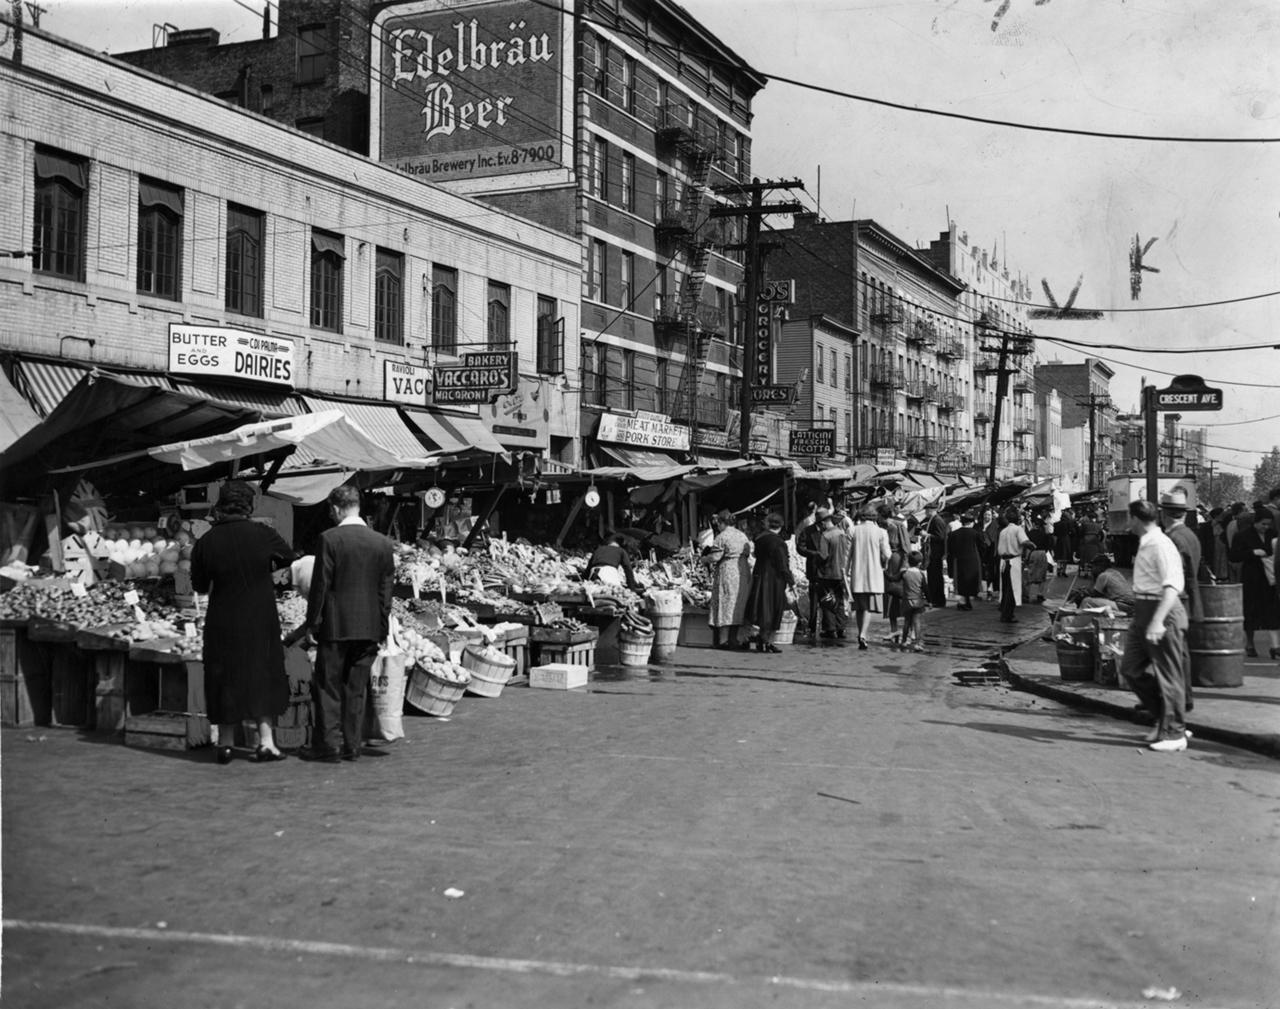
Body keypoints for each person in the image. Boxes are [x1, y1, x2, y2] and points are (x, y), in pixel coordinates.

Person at [190, 480, 295, 765]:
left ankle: (225, 743)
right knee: (262, 674)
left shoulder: (206, 541)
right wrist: (269, 569)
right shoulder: (263, 534)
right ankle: (265, 743)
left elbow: (199, 585)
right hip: (260, 617)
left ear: (221, 506)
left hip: (222, 618)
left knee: (224, 676)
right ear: (249, 506)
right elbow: (289, 557)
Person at [294, 485, 395, 763]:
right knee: (356, 687)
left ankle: (328, 745)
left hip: (336, 627)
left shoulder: (329, 539)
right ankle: (353, 745)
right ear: (357, 506)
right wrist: (382, 628)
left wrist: (312, 624)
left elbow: (320, 586)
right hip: (369, 627)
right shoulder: (382, 543)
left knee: (328, 687)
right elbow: (385, 593)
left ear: (336, 509)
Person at [1120, 499, 1190, 752]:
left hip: (1162, 610)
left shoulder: (1160, 545)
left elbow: (1172, 586)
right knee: (1131, 668)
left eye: (1128, 517)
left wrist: (1158, 620)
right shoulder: (1147, 543)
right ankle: (1165, 718)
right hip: (1144, 609)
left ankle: (1175, 733)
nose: (1127, 522)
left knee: (1168, 674)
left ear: (1136, 518)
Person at [1161, 488, 1202, 711]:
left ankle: (1176, 701)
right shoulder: (1190, 535)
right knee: (1181, 651)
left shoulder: (1173, 539)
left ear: (1165, 514)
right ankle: (1183, 698)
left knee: (1172, 652)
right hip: (1187, 600)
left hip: (1175, 601)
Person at [1229, 507, 1280, 660]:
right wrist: (1252, 553)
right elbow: (1233, 556)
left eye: (1268, 524)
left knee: (1271, 611)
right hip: (1252, 578)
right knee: (1250, 612)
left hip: (1269, 579)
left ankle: (1274, 646)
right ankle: (1250, 644)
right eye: (1263, 524)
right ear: (1256, 523)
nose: (1266, 527)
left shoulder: (1273, 535)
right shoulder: (1242, 536)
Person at [744, 513, 795, 653]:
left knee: (762, 608)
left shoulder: (760, 539)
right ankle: (768, 640)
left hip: (760, 576)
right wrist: (791, 581)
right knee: (773, 609)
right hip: (775, 580)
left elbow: (755, 555)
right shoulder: (779, 543)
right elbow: (783, 565)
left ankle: (762, 638)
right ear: (781, 525)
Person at [704, 509, 752, 650]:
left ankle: (723, 639)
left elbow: (715, 557)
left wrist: (704, 559)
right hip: (742, 571)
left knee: (725, 604)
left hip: (728, 571)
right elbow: (748, 552)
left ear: (721, 522)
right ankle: (735, 638)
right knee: (738, 604)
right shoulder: (742, 535)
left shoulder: (722, 537)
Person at [848, 507, 890, 650]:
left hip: (857, 574)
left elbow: (847, 555)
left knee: (860, 607)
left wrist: (845, 572)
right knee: (866, 608)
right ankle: (863, 635)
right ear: (875, 518)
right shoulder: (881, 532)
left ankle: (862, 633)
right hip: (874, 575)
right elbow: (887, 554)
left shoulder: (853, 530)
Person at [815, 509, 851, 639]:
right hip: (840, 572)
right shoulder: (842, 533)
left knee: (827, 601)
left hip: (827, 573)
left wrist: (816, 560)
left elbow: (823, 556)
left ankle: (831, 629)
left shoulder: (825, 536)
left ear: (824, 522)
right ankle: (841, 628)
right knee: (840, 601)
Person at [880, 502, 911, 644]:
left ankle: (906, 630)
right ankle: (893, 629)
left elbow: (906, 547)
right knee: (889, 596)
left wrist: (905, 565)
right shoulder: (881, 527)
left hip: (897, 560)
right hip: (887, 561)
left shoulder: (898, 525)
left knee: (900, 595)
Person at [796, 506, 828, 639]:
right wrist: (813, 554)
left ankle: (829, 626)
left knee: (828, 598)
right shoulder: (808, 531)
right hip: (814, 568)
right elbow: (800, 548)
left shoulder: (832, 531)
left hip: (828, 569)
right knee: (814, 599)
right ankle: (813, 625)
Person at [997, 507, 1031, 623]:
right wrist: (1032, 545)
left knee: (1006, 587)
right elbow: (1024, 542)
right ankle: (1008, 615)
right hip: (1013, 561)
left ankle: (1004, 610)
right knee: (1012, 589)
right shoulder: (1018, 529)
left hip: (1003, 562)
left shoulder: (1003, 531)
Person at [948, 512, 982, 610]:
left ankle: (963, 601)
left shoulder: (953, 534)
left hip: (958, 561)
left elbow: (950, 549)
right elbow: (982, 547)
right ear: (971, 522)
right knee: (970, 581)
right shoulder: (976, 534)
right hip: (973, 561)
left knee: (960, 581)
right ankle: (965, 602)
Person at [899, 549, 929, 652]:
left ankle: (903, 641)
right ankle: (917, 643)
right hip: (918, 602)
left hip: (907, 601)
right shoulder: (921, 574)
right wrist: (929, 601)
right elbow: (925, 589)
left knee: (907, 622)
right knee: (917, 622)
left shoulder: (904, 573)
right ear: (920, 563)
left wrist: (885, 574)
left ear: (909, 562)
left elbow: (893, 578)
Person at [922, 501, 949, 608]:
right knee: (932, 576)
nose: (925, 512)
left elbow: (940, 537)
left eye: (926, 510)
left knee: (935, 577)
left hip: (936, 553)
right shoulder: (933, 520)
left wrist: (927, 535)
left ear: (931, 510)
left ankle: (938, 599)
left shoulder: (937, 521)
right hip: (933, 553)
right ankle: (934, 598)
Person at [1023, 520, 1054, 604]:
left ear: (1033, 524)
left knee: (1029, 574)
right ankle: (1040, 594)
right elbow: (1049, 545)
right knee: (1042, 575)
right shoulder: (1045, 534)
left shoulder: (1029, 533)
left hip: (1032, 553)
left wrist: (1026, 557)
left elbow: (1026, 545)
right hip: (1042, 554)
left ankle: (1026, 595)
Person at [978, 506, 1000, 600]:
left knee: (991, 571)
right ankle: (982, 590)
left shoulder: (995, 525)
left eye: (989, 515)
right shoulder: (979, 525)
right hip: (980, 552)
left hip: (992, 552)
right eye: (986, 514)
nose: (987, 516)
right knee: (982, 571)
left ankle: (990, 590)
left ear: (992, 516)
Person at [1054, 508, 1077, 574]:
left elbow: (1055, 533)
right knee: (1065, 556)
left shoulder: (1056, 524)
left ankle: (1058, 570)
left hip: (1059, 540)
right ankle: (1063, 571)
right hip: (1066, 540)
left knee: (1059, 555)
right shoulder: (1069, 523)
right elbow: (1073, 532)